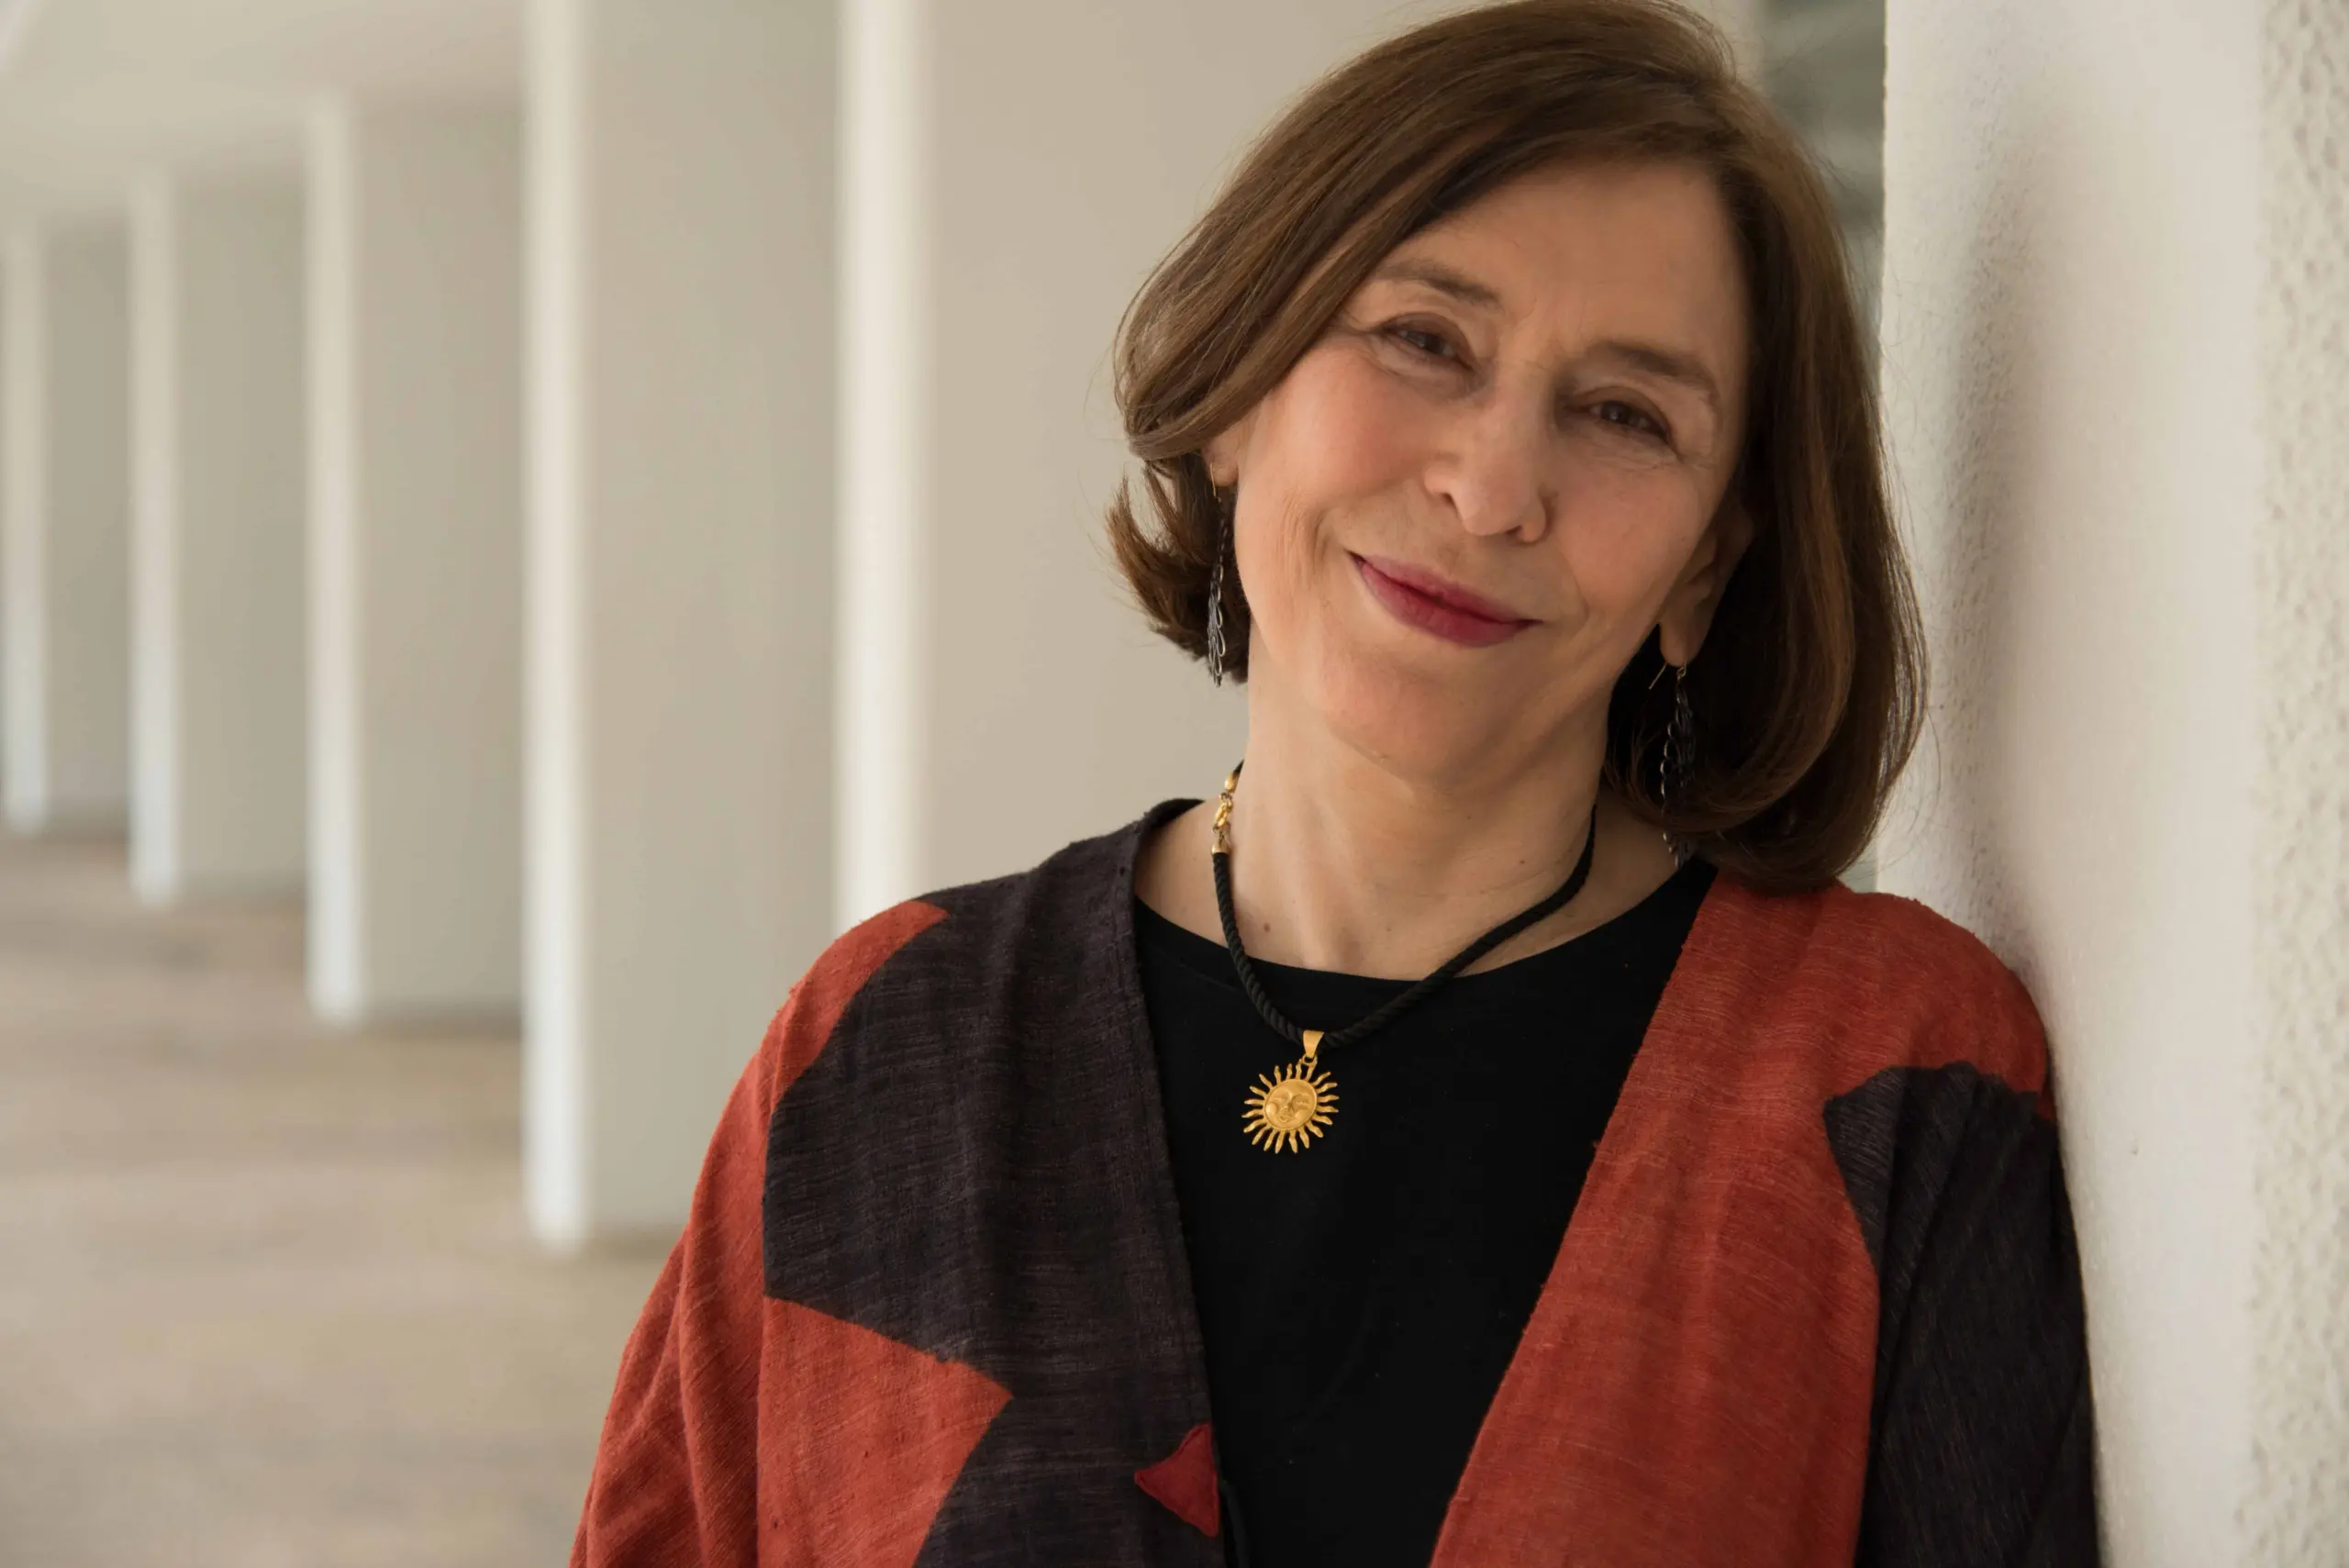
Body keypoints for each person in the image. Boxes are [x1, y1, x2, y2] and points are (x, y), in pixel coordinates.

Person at [571, 2, 2099, 1563]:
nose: (1494, 486)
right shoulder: (885, 1049)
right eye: (1425, 340)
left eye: (1626, 414)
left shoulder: (1892, 1074)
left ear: (1711, 558)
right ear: (1240, 392)